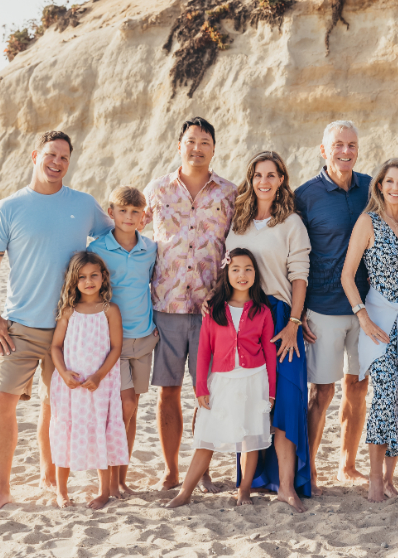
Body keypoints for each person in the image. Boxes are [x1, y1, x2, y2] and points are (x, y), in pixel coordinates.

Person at [0, 130, 113, 516]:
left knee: (56, 406)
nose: (57, 163)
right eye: (51, 155)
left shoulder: (84, 205)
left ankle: (49, 476)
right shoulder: (7, 208)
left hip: (68, 329)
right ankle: (1, 489)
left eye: (64, 158)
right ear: (35, 155)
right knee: (2, 402)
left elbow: (116, 236)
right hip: (19, 326)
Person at [144, 117, 237, 492]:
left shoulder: (229, 193)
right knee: (168, 390)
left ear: (214, 149)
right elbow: (131, 228)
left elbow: (238, 245)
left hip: (209, 309)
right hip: (165, 306)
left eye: (204, 142)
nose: (196, 147)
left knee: (206, 392)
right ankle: (170, 469)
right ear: (178, 145)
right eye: (190, 141)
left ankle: (203, 470)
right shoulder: (157, 189)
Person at [226, 151, 312, 512]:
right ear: (251, 179)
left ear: (281, 181)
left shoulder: (291, 223)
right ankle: (248, 482)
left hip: (279, 319)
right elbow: (227, 269)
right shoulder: (238, 222)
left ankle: (287, 486)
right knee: (250, 400)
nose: (264, 181)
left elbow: (299, 276)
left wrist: (294, 322)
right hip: (244, 320)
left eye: (271, 175)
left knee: (288, 401)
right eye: (258, 175)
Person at [342, 158, 398, 503]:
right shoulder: (369, 221)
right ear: (379, 185)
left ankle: (391, 480)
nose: (395, 188)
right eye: (389, 181)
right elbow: (347, 275)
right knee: (383, 400)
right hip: (379, 323)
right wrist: (362, 317)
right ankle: (375, 482)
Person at [294, 120, 372, 493]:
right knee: (321, 393)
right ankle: (306, 469)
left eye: (352, 145)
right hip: (321, 309)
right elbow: (292, 254)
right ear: (324, 150)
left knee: (357, 387)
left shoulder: (371, 189)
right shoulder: (304, 195)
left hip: (365, 307)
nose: (345, 151)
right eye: (338, 145)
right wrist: (300, 311)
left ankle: (347, 464)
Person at [166, 249, 277, 508]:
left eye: (248, 269)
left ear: (255, 274)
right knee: (207, 437)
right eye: (235, 269)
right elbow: (203, 351)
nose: (242, 274)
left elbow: (269, 352)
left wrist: (271, 390)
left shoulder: (262, 310)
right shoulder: (214, 309)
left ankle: (244, 492)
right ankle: (184, 493)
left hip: (254, 380)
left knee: (250, 440)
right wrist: (200, 386)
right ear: (227, 273)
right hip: (222, 382)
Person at [87, 186, 158, 498]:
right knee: (120, 408)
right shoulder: (98, 249)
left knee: (132, 410)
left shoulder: (151, 249)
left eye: (135, 212)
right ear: (111, 212)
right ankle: (109, 482)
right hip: (112, 341)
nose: (128, 217)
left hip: (144, 338)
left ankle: (121, 480)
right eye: (122, 211)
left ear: (143, 216)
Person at [49, 251, 128, 510]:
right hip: (70, 386)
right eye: (82, 277)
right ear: (74, 281)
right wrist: (63, 372)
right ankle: (62, 491)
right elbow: (56, 347)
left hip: (100, 384)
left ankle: (104, 490)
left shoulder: (110, 310)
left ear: (103, 278)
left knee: (100, 431)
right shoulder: (69, 311)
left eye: (94, 275)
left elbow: (116, 348)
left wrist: (98, 376)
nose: (88, 281)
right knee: (66, 430)